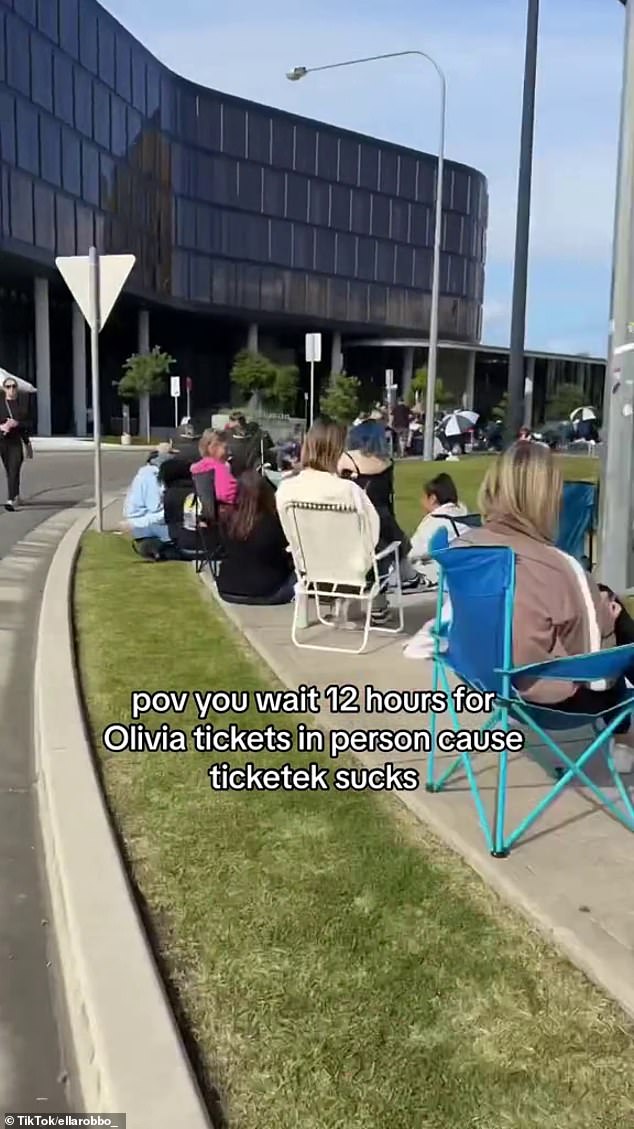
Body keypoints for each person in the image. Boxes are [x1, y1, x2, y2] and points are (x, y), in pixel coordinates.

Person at [457, 442, 634, 772]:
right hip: (551, 702)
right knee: (618, 627)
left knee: (603, 597)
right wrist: (608, 622)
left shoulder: (465, 546)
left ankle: (625, 735)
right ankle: (626, 735)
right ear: (546, 497)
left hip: (485, 680)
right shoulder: (559, 566)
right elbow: (598, 674)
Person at [276, 418, 390, 624]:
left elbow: (289, 532)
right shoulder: (348, 490)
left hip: (308, 570)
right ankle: (378, 605)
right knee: (387, 544)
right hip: (351, 572)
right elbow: (371, 535)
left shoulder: (286, 489)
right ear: (338, 450)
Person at [338, 419, 422, 592]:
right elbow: (387, 496)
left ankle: (402, 578)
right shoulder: (387, 462)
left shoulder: (346, 459)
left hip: (353, 518)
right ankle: (406, 576)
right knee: (388, 534)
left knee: (380, 536)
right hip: (380, 518)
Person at [217, 471, 294, 604]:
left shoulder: (227, 520)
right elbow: (283, 555)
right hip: (265, 591)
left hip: (227, 588)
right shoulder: (273, 523)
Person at [407, 473, 469, 589]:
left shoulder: (434, 522)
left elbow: (413, 552)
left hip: (441, 573)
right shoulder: (464, 516)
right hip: (464, 569)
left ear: (432, 499)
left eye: (424, 497)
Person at [121, 443, 177, 556]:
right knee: (177, 530)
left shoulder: (147, 473)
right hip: (142, 522)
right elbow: (155, 507)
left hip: (142, 520)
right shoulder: (152, 477)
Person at [0, 376, 32, 511]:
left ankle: (11, 499)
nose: (11, 389)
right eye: (8, 387)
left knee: (14, 470)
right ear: (4, 389)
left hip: (15, 443)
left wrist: (17, 424)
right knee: (9, 470)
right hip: (2, 441)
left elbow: (28, 424)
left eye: (13, 386)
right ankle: (16, 494)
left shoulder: (21, 406)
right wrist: (1, 427)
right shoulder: (1, 405)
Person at [190, 429, 238, 505]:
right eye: (225, 448)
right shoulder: (219, 468)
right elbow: (228, 495)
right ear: (213, 448)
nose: (229, 452)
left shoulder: (195, 469)